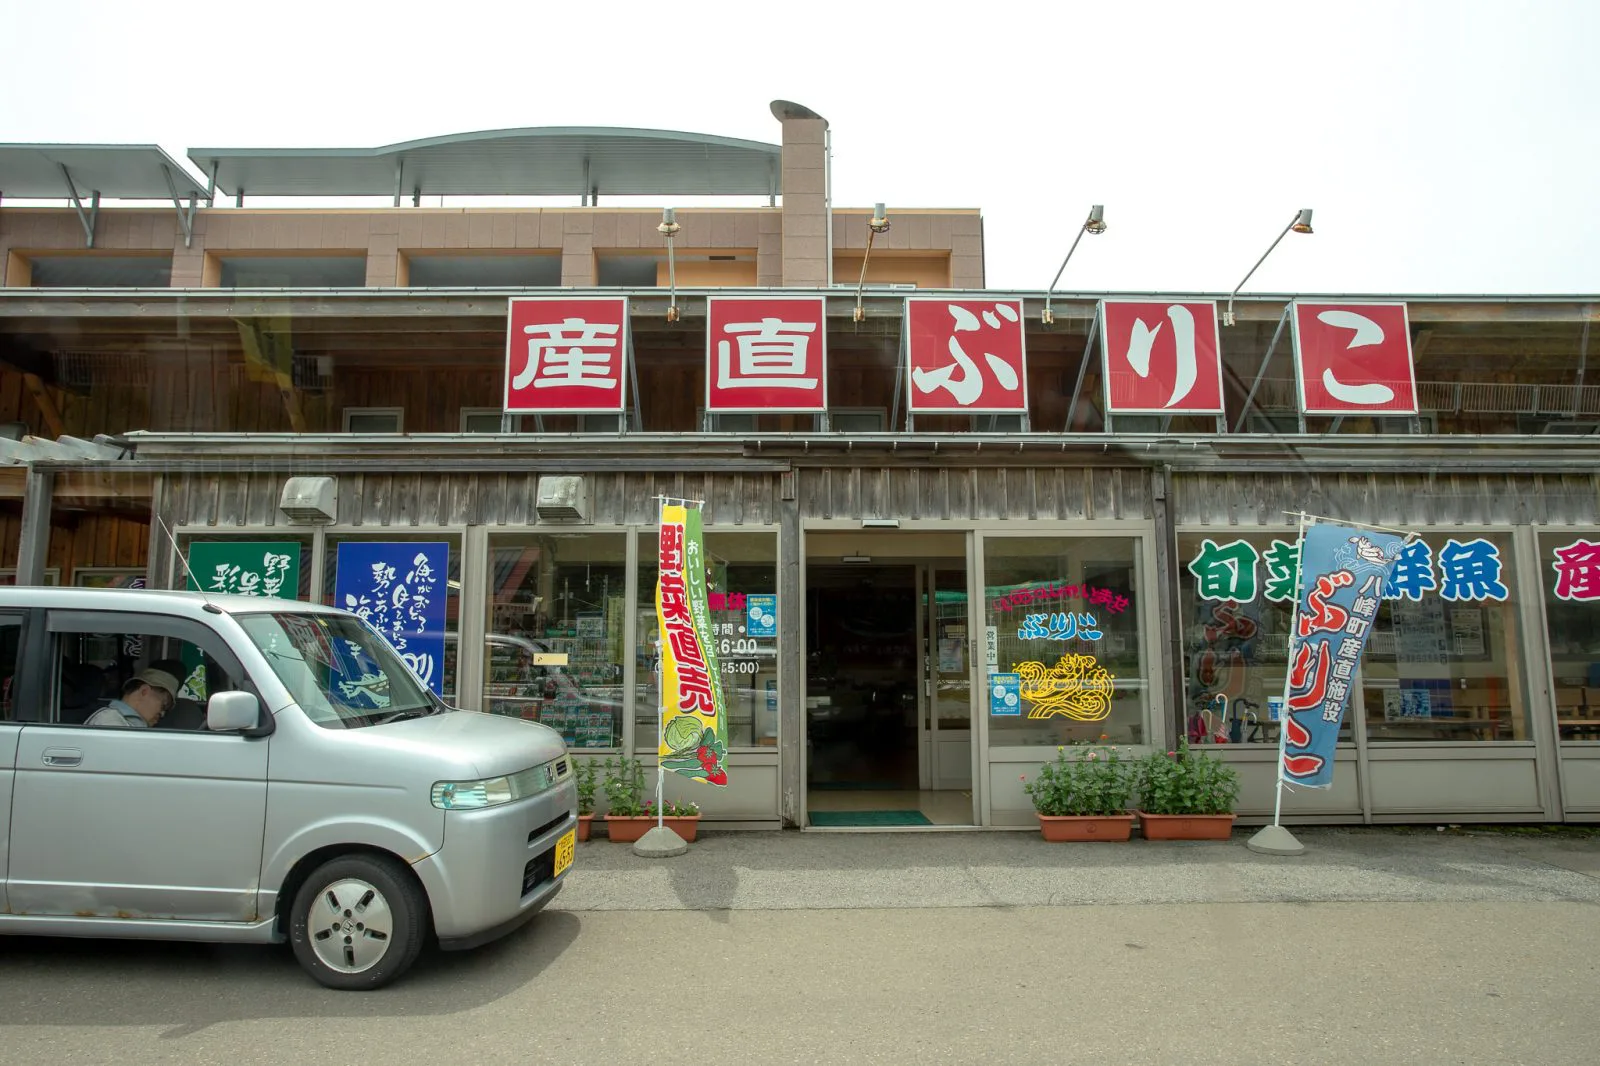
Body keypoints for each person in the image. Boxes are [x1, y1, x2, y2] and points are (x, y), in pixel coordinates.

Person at [83, 668, 179, 729]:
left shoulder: (124, 722)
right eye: (164, 705)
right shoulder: (109, 720)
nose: (162, 713)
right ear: (144, 691)